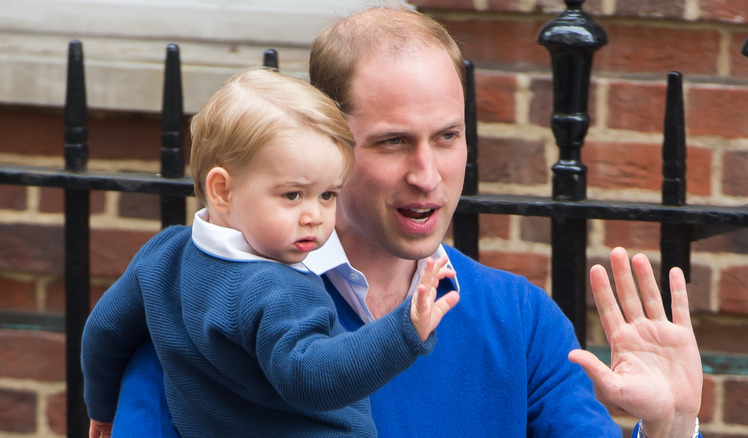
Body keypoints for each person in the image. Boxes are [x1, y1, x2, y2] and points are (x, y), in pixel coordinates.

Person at [109, 5, 704, 437]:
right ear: (332, 145)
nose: (427, 173)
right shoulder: (201, 305)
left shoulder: (518, 318)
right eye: (393, 142)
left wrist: (673, 427)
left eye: (447, 136)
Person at [80, 66, 460, 438]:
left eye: (328, 195)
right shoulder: (277, 290)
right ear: (222, 191)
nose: (314, 216)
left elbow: (103, 332)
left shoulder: (163, 256)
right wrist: (404, 330)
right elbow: (311, 378)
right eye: (292, 195)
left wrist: (100, 408)